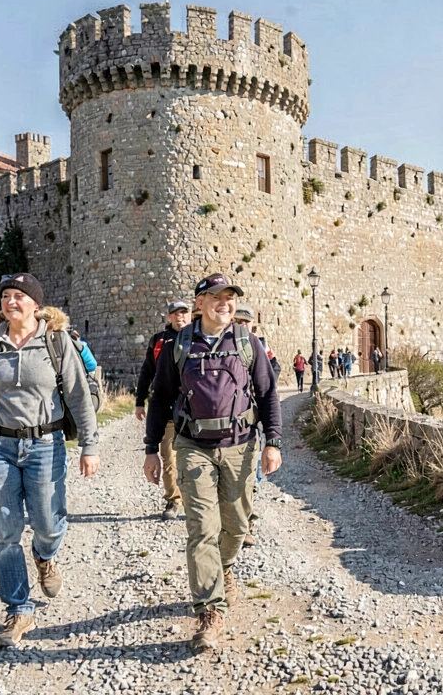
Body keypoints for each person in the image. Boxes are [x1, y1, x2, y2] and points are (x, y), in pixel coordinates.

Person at [0, 273, 100, 649]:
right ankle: (18, 610)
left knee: (48, 524)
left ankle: (44, 556)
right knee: (5, 533)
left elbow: (78, 396)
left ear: (35, 304)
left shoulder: (56, 342)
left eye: (19, 296)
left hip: (45, 444)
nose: (11, 301)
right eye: (6, 296)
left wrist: (89, 446)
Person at [143, 273, 282, 652]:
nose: (225, 303)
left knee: (236, 526)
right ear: (200, 303)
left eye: (230, 297)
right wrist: (152, 448)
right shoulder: (179, 344)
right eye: (216, 297)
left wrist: (273, 441)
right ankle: (209, 611)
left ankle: (224, 567)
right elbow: (161, 397)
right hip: (193, 446)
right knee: (202, 529)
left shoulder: (247, 342)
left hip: (241, 446)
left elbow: (267, 393)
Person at [136, 300, 192, 520]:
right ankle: (173, 499)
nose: (180, 317)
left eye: (183, 313)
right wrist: (139, 401)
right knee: (169, 457)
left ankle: (198, 501)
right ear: (168, 317)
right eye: (175, 314)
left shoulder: (199, 338)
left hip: (195, 411)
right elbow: (147, 371)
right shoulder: (159, 341)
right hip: (168, 409)